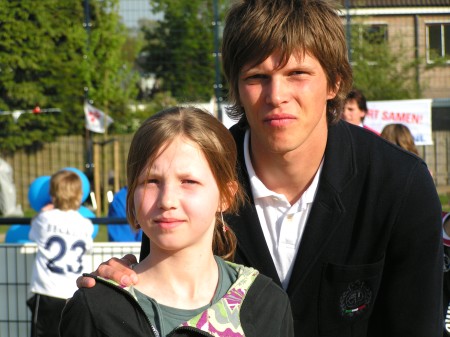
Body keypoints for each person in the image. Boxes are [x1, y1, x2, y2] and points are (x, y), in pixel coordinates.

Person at [79, 0, 443, 336]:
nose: (277, 95)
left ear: (335, 82)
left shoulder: (399, 185)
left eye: (298, 73)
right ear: (235, 86)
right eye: (257, 77)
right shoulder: (194, 177)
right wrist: (121, 293)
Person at [60, 107, 294, 337]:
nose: (167, 200)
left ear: (225, 195)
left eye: (188, 181)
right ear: (132, 193)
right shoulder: (97, 308)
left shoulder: (265, 303)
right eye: (152, 180)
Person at [27, 169, 94, 337]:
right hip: (73, 292)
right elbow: (88, 247)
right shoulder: (85, 224)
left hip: (47, 292)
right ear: (79, 195)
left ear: (53, 195)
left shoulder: (44, 219)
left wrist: (43, 212)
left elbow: (32, 232)